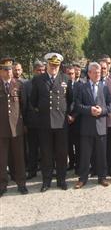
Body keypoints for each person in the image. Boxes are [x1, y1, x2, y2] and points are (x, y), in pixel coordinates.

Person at [30, 52, 72, 192]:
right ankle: (46, 181)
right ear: (46, 64)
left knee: (61, 153)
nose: (54, 67)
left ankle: (61, 180)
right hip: (45, 122)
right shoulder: (38, 80)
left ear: (59, 65)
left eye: (56, 65)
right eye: (51, 65)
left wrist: (68, 114)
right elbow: (33, 101)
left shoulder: (65, 78)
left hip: (61, 122)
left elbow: (70, 99)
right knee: (46, 153)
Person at [73, 62, 111, 189]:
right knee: (85, 155)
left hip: (101, 127)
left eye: (99, 73)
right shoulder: (82, 88)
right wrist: (89, 110)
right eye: (95, 72)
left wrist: (103, 111)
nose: (98, 75)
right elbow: (77, 105)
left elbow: (110, 104)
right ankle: (82, 178)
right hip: (87, 127)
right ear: (89, 73)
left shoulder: (104, 87)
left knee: (102, 154)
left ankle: (102, 177)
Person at [0, 58, 28, 197]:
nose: (9, 72)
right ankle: (2, 185)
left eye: (10, 69)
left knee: (19, 157)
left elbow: (24, 106)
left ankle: (21, 183)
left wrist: (25, 124)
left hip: (16, 127)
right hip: (1, 128)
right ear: (0, 71)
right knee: (2, 159)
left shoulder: (18, 85)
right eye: (5, 69)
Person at [24, 60, 45, 179]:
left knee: (46, 149)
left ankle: (46, 170)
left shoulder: (47, 82)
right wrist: (25, 123)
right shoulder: (27, 85)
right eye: (39, 70)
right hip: (32, 123)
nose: (41, 72)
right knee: (32, 149)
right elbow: (25, 105)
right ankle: (32, 171)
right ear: (33, 71)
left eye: (43, 70)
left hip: (45, 123)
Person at [99, 59, 111, 176]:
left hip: (109, 118)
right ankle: (97, 168)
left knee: (110, 145)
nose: (102, 71)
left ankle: (109, 167)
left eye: (104, 68)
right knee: (98, 145)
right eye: (100, 69)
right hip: (96, 119)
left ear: (107, 69)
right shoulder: (91, 82)